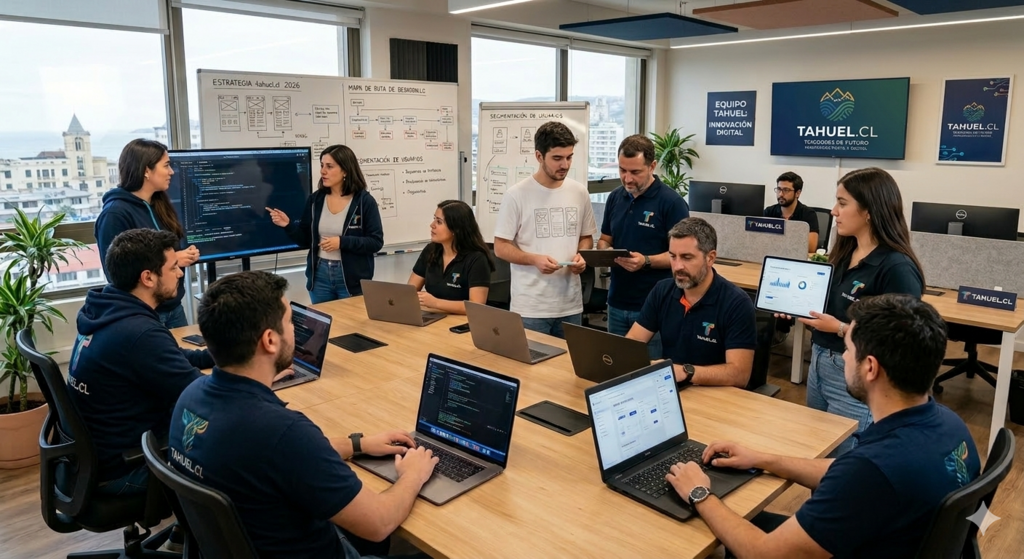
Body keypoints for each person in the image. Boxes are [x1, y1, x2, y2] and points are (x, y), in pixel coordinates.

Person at [666, 294, 980, 559]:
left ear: (870, 367)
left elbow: (763, 553)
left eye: (848, 350)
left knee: (695, 533)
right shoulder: (948, 424)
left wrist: (699, 492)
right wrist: (761, 459)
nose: (843, 357)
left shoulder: (872, 471)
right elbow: (845, 470)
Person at [169, 271, 438, 559]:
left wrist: (357, 444)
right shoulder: (282, 432)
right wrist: (412, 475)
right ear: (270, 340)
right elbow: (379, 523)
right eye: (290, 322)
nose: (295, 330)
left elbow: (281, 457)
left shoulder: (190, 396)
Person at [68, 229, 215, 495]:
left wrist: (225, 355)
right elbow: (203, 396)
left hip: (95, 460)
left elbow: (172, 357)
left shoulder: (104, 310)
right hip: (126, 469)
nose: (180, 274)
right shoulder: (139, 334)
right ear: (148, 277)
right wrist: (253, 374)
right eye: (173, 267)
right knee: (234, 456)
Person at [789, 167, 923, 455]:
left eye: (842, 203)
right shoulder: (844, 251)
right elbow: (829, 302)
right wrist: (793, 305)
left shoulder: (897, 267)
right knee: (816, 451)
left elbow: (902, 340)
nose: (833, 211)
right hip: (820, 361)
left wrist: (840, 328)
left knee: (844, 459)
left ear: (869, 211)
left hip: (856, 373)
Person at [493, 121, 597, 338]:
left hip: (571, 305)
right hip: (531, 307)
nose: (565, 165)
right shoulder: (516, 195)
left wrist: (582, 255)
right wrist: (533, 259)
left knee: (570, 361)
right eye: (557, 158)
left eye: (569, 157)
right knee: (533, 360)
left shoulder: (579, 192)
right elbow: (501, 247)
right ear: (539, 156)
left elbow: (586, 237)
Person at [626, 217, 756, 388]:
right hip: (671, 389)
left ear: (710, 258)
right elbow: (633, 341)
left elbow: (739, 375)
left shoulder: (736, 303)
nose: (677, 266)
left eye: (687, 257)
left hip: (716, 395)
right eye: (673, 257)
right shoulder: (662, 291)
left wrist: (686, 372)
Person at [597, 134, 689, 358]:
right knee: (616, 366)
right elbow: (605, 239)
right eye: (622, 170)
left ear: (652, 166)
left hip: (654, 306)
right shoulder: (615, 198)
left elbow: (683, 256)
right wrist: (605, 252)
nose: (627, 178)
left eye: (635, 172)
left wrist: (646, 261)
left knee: (651, 370)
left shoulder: (672, 203)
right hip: (616, 302)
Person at [95, 139, 199, 328]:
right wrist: (173, 259)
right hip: (143, 313)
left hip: (173, 307)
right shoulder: (114, 214)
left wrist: (183, 256)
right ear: (146, 170)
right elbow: (117, 275)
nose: (171, 172)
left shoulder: (159, 203)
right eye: (166, 165)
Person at [267, 144, 384, 303]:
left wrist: (342, 242)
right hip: (320, 276)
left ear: (345, 170)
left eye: (329, 166)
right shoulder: (315, 200)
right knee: (321, 318)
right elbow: (305, 240)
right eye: (322, 165)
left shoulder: (364, 202)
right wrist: (288, 225)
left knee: (350, 319)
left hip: (352, 279)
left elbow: (376, 242)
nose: (323, 171)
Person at [407, 199, 494, 315]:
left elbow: (476, 306)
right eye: (434, 219)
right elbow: (409, 291)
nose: (432, 225)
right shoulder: (431, 250)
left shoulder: (477, 259)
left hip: (462, 321)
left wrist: (435, 303)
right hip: (433, 316)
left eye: (439, 222)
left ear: (455, 229)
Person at [763, 171, 820, 253]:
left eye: (786, 190)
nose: (781, 194)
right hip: (773, 255)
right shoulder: (769, 212)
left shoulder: (808, 214)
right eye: (779, 189)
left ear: (797, 193)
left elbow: (811, 247)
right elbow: (761, 242)